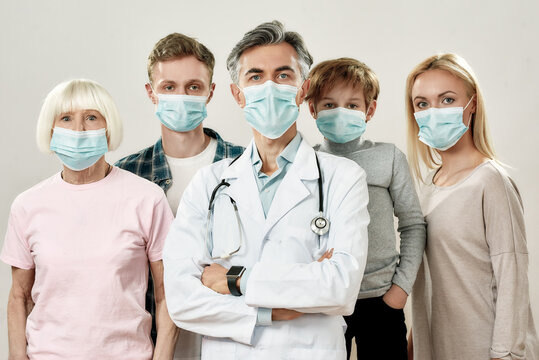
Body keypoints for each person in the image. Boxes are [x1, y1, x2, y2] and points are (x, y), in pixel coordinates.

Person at [162, 21, 370, 359]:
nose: (269, 86)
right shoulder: (210, 183)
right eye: (256, 76)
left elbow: (340, 288)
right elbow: (183, 299)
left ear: (303, 90)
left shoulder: (342, 178)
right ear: (237, 94)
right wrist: (267, 312)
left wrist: (234, 280)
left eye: (284, 75)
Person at [1, 79, 177, 359]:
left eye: (91, 117)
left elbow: (167, 294)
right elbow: (19, 297)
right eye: (66, 118)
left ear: (109, 128)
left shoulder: (147, 198)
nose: (79, 130)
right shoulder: (27, 205)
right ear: (51, 130)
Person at [115, 33, 244, 358]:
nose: (181, 96)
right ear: (151, 93)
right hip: (152, 342)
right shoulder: (127, 174)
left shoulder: (247, 164)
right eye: (169, 87)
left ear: (210, 92)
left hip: (233, 338)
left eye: (193, 87)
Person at [406, 53, 539, 360]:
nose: (433, 112)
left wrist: (505, 354)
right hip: (438, 346)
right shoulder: (429, 183)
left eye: (447, 99)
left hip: (485, 348)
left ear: (473, 103)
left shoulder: (490, 181)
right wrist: (415, 343)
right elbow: (436, 278)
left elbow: (512, 276)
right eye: (422, 104)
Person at [306, 57, 426, 359]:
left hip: (381, 299)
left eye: (352, 105)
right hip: (325, 301)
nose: (340, 113)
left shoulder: (389, 158)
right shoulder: (305, 163)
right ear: (312, 110)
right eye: (329, 105)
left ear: (369, 110)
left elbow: (412, 224)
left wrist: (400, 290)